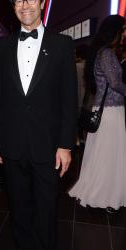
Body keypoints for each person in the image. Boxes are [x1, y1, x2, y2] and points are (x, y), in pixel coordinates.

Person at [0, 0, 77, 249]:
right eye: (19, 0)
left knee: (46, 209)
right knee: (19, 209)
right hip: (12, 144)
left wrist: (65, 145)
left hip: (48, 144)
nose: (25, 5)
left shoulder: (62, 45)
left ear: (42, 3)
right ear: (13, 7)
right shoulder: (1, 46)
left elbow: (69, 100)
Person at [69, 15, 126, 214]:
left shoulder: (98, 53)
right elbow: (116, 83)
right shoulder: (107, 54)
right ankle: (108, 195)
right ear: (115, 32)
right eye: (123, 29)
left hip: (101, 111)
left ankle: (101, 191)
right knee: (110, 156)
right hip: (110, 112)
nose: (124, 33)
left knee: (101, 155)